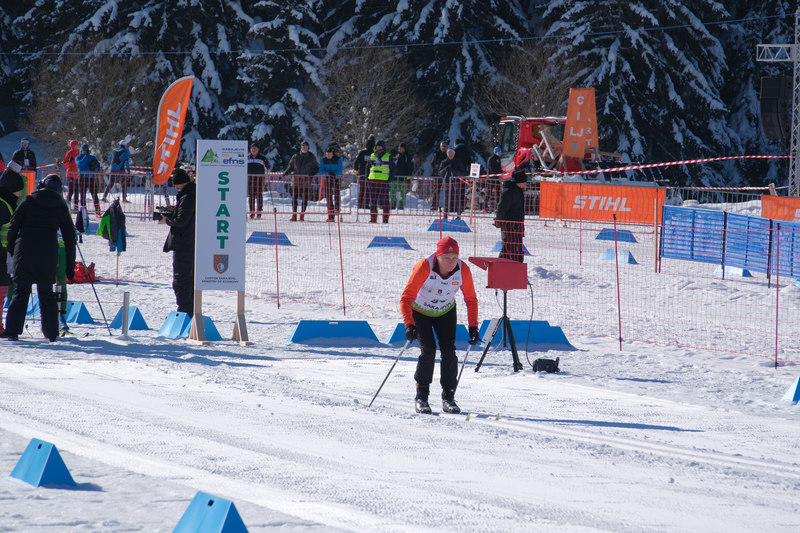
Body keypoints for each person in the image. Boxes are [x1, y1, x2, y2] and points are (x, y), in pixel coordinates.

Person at [400, 236, 480, 414]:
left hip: (445, 311)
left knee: (449, 351)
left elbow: (471, 299)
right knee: (428, 350)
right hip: (420, 311)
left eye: (455, 257)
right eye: (446, 258)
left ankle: (448, 397)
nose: (451, 262)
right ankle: (422, 397)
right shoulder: (424, 266)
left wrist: (473, 326)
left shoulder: (463, 270)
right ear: (438, 256)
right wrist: (409, 324)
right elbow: (406, 298)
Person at [2, 175, 76, 342]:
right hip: (47, 254)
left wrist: (11, 251)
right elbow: (70, 238)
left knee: (21, 292)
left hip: (24, 251)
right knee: (46, 293)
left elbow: (13, 227)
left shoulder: (28, 200)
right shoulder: (60, 205)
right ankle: (51, 333)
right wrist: (69, 267)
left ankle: (12, 331)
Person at [159, 167, 196, 316]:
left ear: (182, 183)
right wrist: (173, 211)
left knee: (181, 281)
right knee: (188, 280)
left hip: (184, 244)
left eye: (176, 185)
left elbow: (182, 221)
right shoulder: (190, 193)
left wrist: (166, 220)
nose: (175, 187)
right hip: (189, 244)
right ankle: (188, 311)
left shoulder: (187, 197)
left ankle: (184, 312)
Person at [0, 162, 25, 335]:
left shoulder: (8, 202)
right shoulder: (3, 204)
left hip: (5, 255)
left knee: (3, 291)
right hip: (2, 255)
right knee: (1, 292)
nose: (20, 193)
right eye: (18, 190)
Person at [495, 169, 527, 263]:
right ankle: (516, 267)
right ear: (517, 182)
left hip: (517, 225)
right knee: (512, 249)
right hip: (509, 225)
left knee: (509, 249)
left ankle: (500, 266)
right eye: (523, 182)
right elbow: (501, 208)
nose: (524, 184)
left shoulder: (519, 191)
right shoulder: (509, 192)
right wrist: (498, 220)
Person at [283, 141, 318, 221]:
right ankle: (294, 214)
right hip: (296, 180)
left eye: (306, 146)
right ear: (301, 147)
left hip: (306, 181)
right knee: (294, 198)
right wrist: (286, 172)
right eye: (303, 146)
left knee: (305, 198)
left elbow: (316, 168)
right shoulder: (296, 156)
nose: (304, 148)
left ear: (308, 148)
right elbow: (291, 166)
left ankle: (302, 214)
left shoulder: (311, 157)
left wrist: (312, 173)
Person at [366, 139, 392, 223]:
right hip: (373, 181)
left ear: (383, 147)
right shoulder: (372, 155)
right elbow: (368, 167)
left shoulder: (388, 156)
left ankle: (385, 220)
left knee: (385, 202)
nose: (378, 148)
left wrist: (390, 179)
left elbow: (393, 168)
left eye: (380, 146)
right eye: (377, 146)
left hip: (384, 181)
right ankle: (373, 219)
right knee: (373, 201)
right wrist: (367, 178)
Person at [438, 147, 466, 218]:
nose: (450, 154)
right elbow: (440, 173)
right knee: (446, 199)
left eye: (451, 153)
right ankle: (445, 215)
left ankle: (458, 215)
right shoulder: (444, 162)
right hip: (447, 182)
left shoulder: (458, 162)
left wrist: (455, 171)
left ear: (454, 154)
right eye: (449, 153)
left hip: (456, 183)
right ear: (447, 154)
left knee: (457, 199)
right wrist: (445, 169)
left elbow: (462, 172)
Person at [75, 143, 102, 217]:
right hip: (82, 177)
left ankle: (98, 211)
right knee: (82, 194)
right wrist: (86, 157)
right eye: (84, 150)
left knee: (94, 194)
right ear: (81, 150)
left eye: (86, 150)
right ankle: (84, 211)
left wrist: (95, 169)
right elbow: (80, 164)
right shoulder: (78, 157)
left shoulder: (92, 157)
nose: (85, 151)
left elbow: (97, 165)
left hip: (91, 178)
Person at [318, 145, 343, 222]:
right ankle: (330, 216)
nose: (328, 154)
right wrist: (328, 173)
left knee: (337, 195)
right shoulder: (324, 160)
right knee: (328, 197)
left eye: (329, 153)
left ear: (333, 153)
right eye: (327, 153)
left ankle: (337, 209)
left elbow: (340, 171)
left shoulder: (338, 159)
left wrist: (334, 174)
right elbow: (321, 170)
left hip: (336, 179)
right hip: (328, 179)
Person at [247, 144, 269, 219]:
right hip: (250, 180)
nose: (253, 150)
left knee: (259, 195)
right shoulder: (247, 158)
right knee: (251, 196)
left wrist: (267, 165)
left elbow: (268, 166)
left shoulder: (262, 158)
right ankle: (252, 212)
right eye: (252, 148)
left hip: (259, 180)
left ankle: (259, 212)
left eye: (255, 148)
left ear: (258, 149)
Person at [354, 135, 375, 210]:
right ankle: (366, 205)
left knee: (362, 190)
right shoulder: (374, 153)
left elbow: (356, 162)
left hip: (362, 174)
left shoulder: (362, 152)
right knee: (368, 190)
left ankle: (360, 205)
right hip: (371, 175)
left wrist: (356, 169)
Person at [60, 140, 80, 211]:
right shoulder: (69, 153)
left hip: (77, 175)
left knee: (77, 192)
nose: (78, 145)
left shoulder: (79, 153)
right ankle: (67, 207)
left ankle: (76, 207)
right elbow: (64, 164)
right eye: (77, 144)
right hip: (70, 174)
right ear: (73, 145)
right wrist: (69, 162)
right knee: (71, 191)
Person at [392, 142, 413, 210]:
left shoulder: (407, 157)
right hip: (395, 178)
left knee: (402, 194)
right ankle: (393, 204)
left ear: (404, 149)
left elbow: (410, 168)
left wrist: (408, 177)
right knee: (393, 192)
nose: (400, 149)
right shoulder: (396, 156)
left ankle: (401, 205)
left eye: (401, 148)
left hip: (403, 178)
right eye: (399, 148)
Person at [429, 140, 449, 211]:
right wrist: (434, 171)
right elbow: (432, 163)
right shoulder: (436, 154)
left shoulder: (448, 154)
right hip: (438, 175)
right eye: (442, 146)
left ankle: (447, 206)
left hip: (447, 175)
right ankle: (434, 205)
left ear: (447, 147)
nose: (443, 148)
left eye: (445, 146)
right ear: (440, 147)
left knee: (448, 191)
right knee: (436, 190)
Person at [485, 146, 503, 213]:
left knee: (498, 193)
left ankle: (498, 207)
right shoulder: (491, 159)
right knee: (489, 193)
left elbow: (499, 168)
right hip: (491, 178)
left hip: (497, 178)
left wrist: (502, 172)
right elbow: (491, 169)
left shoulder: (498, 159)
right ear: (497, 152)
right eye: (500, 152)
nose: (501, 153)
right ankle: (485, 207)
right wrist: (499, 173)